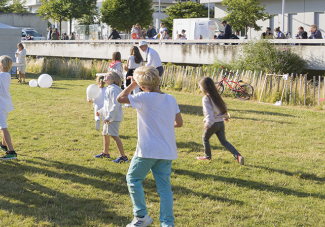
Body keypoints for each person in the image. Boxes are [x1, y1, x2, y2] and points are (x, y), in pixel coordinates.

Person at [116, 66, 183, 227]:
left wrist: (132, 84)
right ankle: (168, 223)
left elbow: (120, 98)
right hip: (166, 151)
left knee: (133, 179)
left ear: (142, 86)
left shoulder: (142, 97)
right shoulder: (171, 99)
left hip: (147, 151)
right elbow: (178, 123)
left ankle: (141, 216)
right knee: (165, 189)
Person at [196, 77, 244, 165]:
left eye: (200, 87)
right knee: (224, 141)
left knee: (205, 138)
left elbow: (209, 113)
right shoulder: (216, 96)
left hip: (213, 123)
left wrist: (208, 123)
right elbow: (224, 107)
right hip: (220, 123)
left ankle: (207, 157)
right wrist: (225, 116)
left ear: (204, 87)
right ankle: (238, 156)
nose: (200, 88)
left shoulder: (206, 98)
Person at [94, 71, 128, 163]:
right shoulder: (108, 88)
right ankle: (105, 153)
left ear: (113, 79)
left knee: (114, 136)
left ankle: (123, 157)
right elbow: (107, 105)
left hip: (113, 117)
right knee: (105, 134)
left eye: (108, 75)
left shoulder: (114, 89)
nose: (105, 76)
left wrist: (109, 117)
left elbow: (115, 105)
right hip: (108, 117)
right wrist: (100, 111)